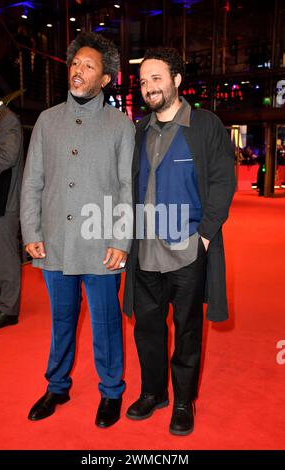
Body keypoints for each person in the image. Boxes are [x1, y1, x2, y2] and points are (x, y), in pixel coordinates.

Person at [20, 32, 134, 427]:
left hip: (103, 245)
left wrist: (121, 239)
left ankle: (111, 390)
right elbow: (32, 181)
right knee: (61, 319)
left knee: (105, 322)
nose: (79, 71)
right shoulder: (48, 121)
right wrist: (31, 231)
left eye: (89, 66)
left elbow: (127, 187)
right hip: (54, 243)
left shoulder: (121, 126)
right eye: (75, 64)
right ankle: (57, 385)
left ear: (105, 79)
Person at [123, 48, 236, 436]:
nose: (149, 87)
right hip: (145, 252)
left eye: (156, 78)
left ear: (176, 81)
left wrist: (203, 237)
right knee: (147, 328)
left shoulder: (205, 125)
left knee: (187, 330)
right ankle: (154, 393)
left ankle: (184, 400)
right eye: (143, 81)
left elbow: (223, 182)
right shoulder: (137, 130)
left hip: (188, 249)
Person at [0, 79, 23, 329]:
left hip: (5, 201)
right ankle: (2, 302)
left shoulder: (7, 119)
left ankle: (9, 310)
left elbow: (7, 157)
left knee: (5, 255)